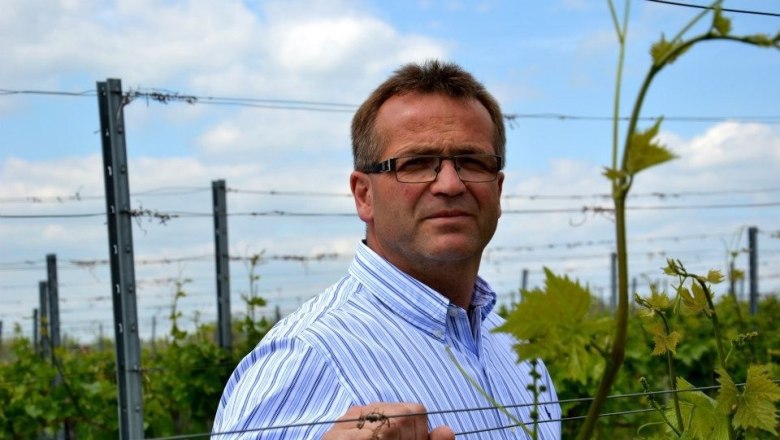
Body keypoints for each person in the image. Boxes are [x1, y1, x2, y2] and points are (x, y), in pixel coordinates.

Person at [212, 60, 561, 439]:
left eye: (472, 162)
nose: (449, 184)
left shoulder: (518, 353)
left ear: (499, 189)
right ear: (364, 196)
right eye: (415, 163)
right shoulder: (308, 355)